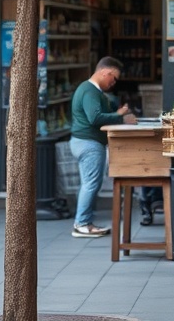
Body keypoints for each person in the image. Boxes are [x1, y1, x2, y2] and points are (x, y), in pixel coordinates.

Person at [69, 56, 136, 238]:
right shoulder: (90, 91)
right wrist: (119, 116)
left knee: (88, 183)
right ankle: (82, 224)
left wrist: (116, 111)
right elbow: (95, 118)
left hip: (83, 142)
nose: (113, 82)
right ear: (104, 72)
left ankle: (83, 222)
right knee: (91, 184)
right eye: (113, 78)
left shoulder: (91, 90)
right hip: (89, 143)